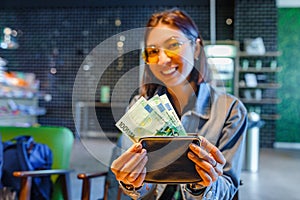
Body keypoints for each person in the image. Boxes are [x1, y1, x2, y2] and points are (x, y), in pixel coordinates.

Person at [110, 8, 247, 200]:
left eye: (173, 45)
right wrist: (130, 181)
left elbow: (228, 187)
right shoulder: (138, 106)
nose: (163, 59)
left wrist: (203, 186)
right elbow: (139, 190)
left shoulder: (230, 111)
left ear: (196, 48)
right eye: (153, 51)